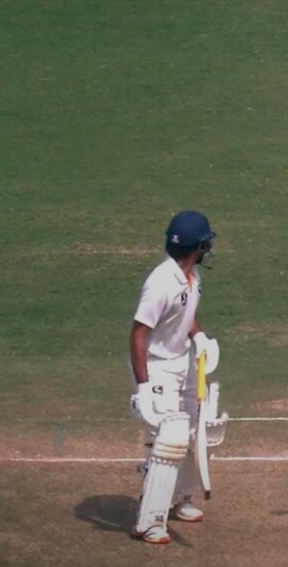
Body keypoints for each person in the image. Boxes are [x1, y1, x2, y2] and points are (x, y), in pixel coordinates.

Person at [128, 210, 222, 544]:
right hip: (155, 369)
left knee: (201, 431)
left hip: (183, 364)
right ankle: (150, 520)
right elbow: (138, 334)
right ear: (198, 246)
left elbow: (186, 317)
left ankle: (183, 498)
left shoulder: (192, 276)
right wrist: (143, 388)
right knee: (171, 438)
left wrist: (199, 337)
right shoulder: (160, 283)